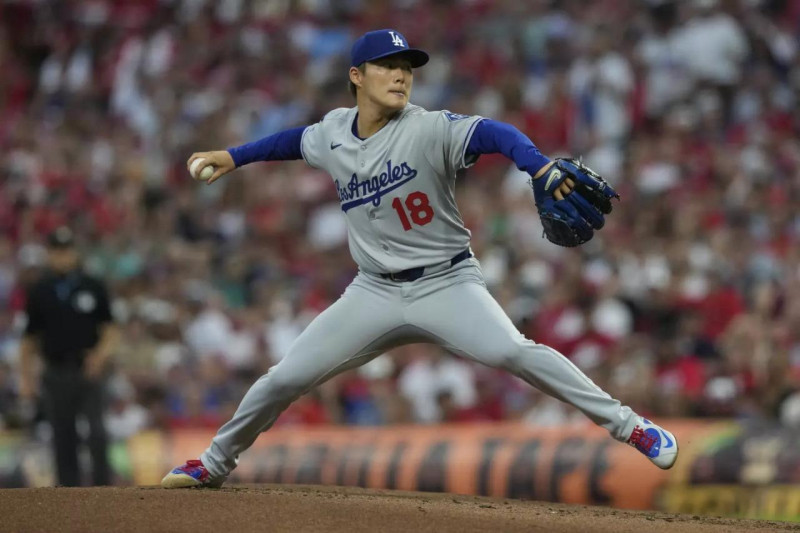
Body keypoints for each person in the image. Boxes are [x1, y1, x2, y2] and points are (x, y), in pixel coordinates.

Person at [162, 29, 678, 489]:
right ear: (356, 76)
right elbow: (292, 142)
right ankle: (213, 463)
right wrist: (233, 156)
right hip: (372, 291)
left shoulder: (428, 127)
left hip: (446, 283)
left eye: (407, 68)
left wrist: (537, 166)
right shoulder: (334, 131)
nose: (401, 76)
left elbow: (495, 133)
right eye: (388, 66)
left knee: (514, 353)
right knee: (283, 379)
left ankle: (631, 427)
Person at [19, 226, 119, 486]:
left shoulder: (92, 285)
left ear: (75, 252)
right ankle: (68, 493)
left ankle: (104, 487)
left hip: (89, 367)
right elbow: (29, 339)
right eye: (57, 250)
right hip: (55, 369)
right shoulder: (40, 290)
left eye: (66, 250)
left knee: (97, 431)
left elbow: (110, 330)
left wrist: (99, 357)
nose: (62, 256)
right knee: (63, 433)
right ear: (49, 254)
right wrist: (26, 379)